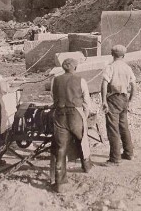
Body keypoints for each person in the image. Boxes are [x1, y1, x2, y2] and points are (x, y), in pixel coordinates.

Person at [51, 58, 92, 193]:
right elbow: (86, 100)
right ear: (75, 67)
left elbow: (53, 97)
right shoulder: (81, 80)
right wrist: (84, 116)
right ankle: (86, 166)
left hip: (60, 115)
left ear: (63, 68)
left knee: (61, 147)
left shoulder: (55, 80)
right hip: (75, 113)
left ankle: (60, 183)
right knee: (82, 140)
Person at [101, 45, 137, 165]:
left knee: (113, 128)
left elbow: (104, 84)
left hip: (113, 99)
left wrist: (104, 101)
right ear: (124, 55)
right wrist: (130, 100)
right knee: (124, 126)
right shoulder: (127, 68)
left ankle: (115, 158)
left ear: (112, 54)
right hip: (124, 98)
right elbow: (134, 86)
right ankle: (129, 153)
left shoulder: (110, 67)